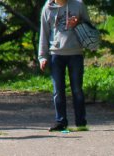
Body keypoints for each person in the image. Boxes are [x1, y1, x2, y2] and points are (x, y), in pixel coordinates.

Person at [38, 0, 91, 131]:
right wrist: (42, 57)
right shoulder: (47, 8)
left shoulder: (79, 5)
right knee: (58, 90)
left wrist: (78, 22)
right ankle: (60, 121)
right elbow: (44, 33)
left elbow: (90, 27)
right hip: (56, 53)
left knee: (77, 89)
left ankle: (81, 122)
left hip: (75, 52)